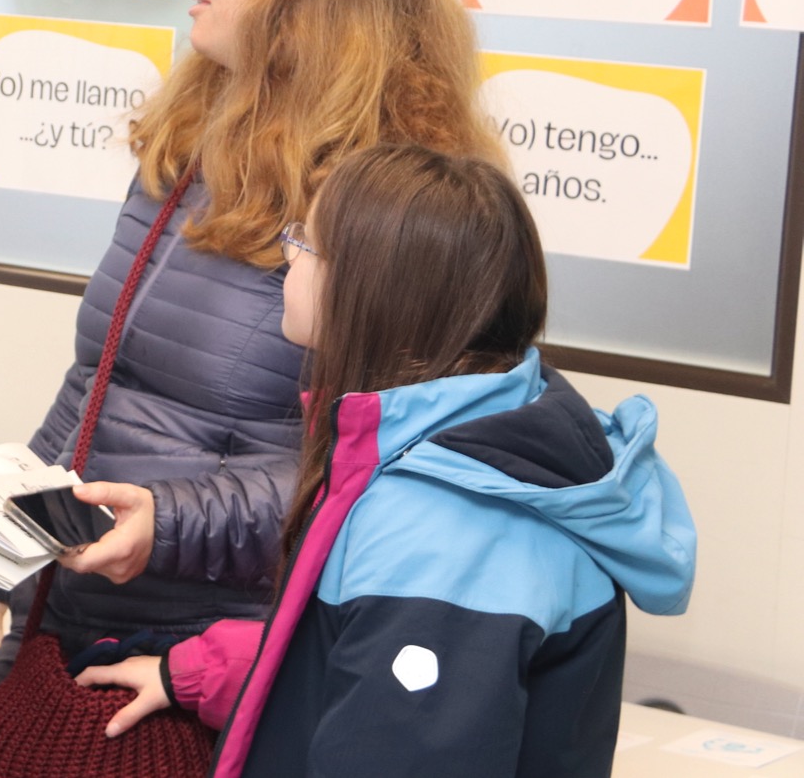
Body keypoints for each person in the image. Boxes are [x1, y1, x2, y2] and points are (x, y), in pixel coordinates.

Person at [0, 0, 500, 775]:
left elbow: (375, 469)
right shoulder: (198, 139)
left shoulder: (391, 203)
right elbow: (100, 388)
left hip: (200, 666)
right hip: (64, 620)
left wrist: (171, 523)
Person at [75, 144, 696, 777]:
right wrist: (205, 670)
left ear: (373, 291)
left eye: (306, 243)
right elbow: (364, 660)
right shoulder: (461, 448)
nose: (289, 257)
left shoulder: (441, 531)